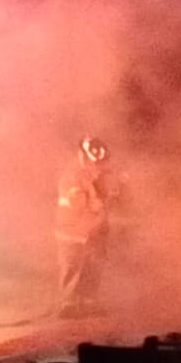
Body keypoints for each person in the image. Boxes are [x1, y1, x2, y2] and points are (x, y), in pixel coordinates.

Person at [54, 134, 120, 317]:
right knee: (73, 268)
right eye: (95, 163)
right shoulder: (72, 177)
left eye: (102, 162)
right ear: (82, 157)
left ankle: (89, 302)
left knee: (94, 266)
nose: (99, 166)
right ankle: (69, 305)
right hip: (73, 232)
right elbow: (79, 203)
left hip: (94, 231)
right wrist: (96, 200)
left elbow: (110, 198)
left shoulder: (99, 175)